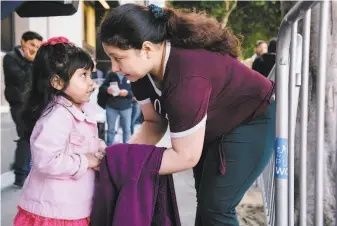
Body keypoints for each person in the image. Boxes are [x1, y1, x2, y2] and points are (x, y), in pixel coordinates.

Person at [99, 4, 275, 226]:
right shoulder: (141, 75)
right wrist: (120, 155)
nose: (114, 67)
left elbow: (186, 156)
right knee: (205, 204)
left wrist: (121, 163)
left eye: (118, 57)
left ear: (146, 49)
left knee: (216, 209)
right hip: (214, 124)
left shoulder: (187, 76)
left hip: (252, 118)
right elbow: (154, 123)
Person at [13, 37, 106, 226]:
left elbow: (83, 143)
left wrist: (99, 149)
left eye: (91, 75)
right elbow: (46, 160)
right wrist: (87, 160)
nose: (92, 83)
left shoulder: (81, 109)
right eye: (84, 75)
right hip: (54, 210)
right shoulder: (57, 116)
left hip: (74, 205)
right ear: (57, 82)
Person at [3, 31, 43, 188]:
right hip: (18, 104)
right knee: (26, 136)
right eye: (32, 44)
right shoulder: (10, 58)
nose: (34, 49)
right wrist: (29, 62)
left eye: (38, 47)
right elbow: (21, 78)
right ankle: (20, 176)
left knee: (31, 137)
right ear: (22, 42)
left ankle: (23, 168)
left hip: (32, 104)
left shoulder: (34, 60)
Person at [99, 71, 133, 145]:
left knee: (127, 130)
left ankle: (126, 148)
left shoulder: (131, 74)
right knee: (110, 130)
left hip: (126, 107)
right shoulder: (111, 74)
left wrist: (127, 93)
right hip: (111, 107)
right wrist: (107, 89)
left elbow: (135, 92)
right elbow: (102, 87)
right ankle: (109, 149)